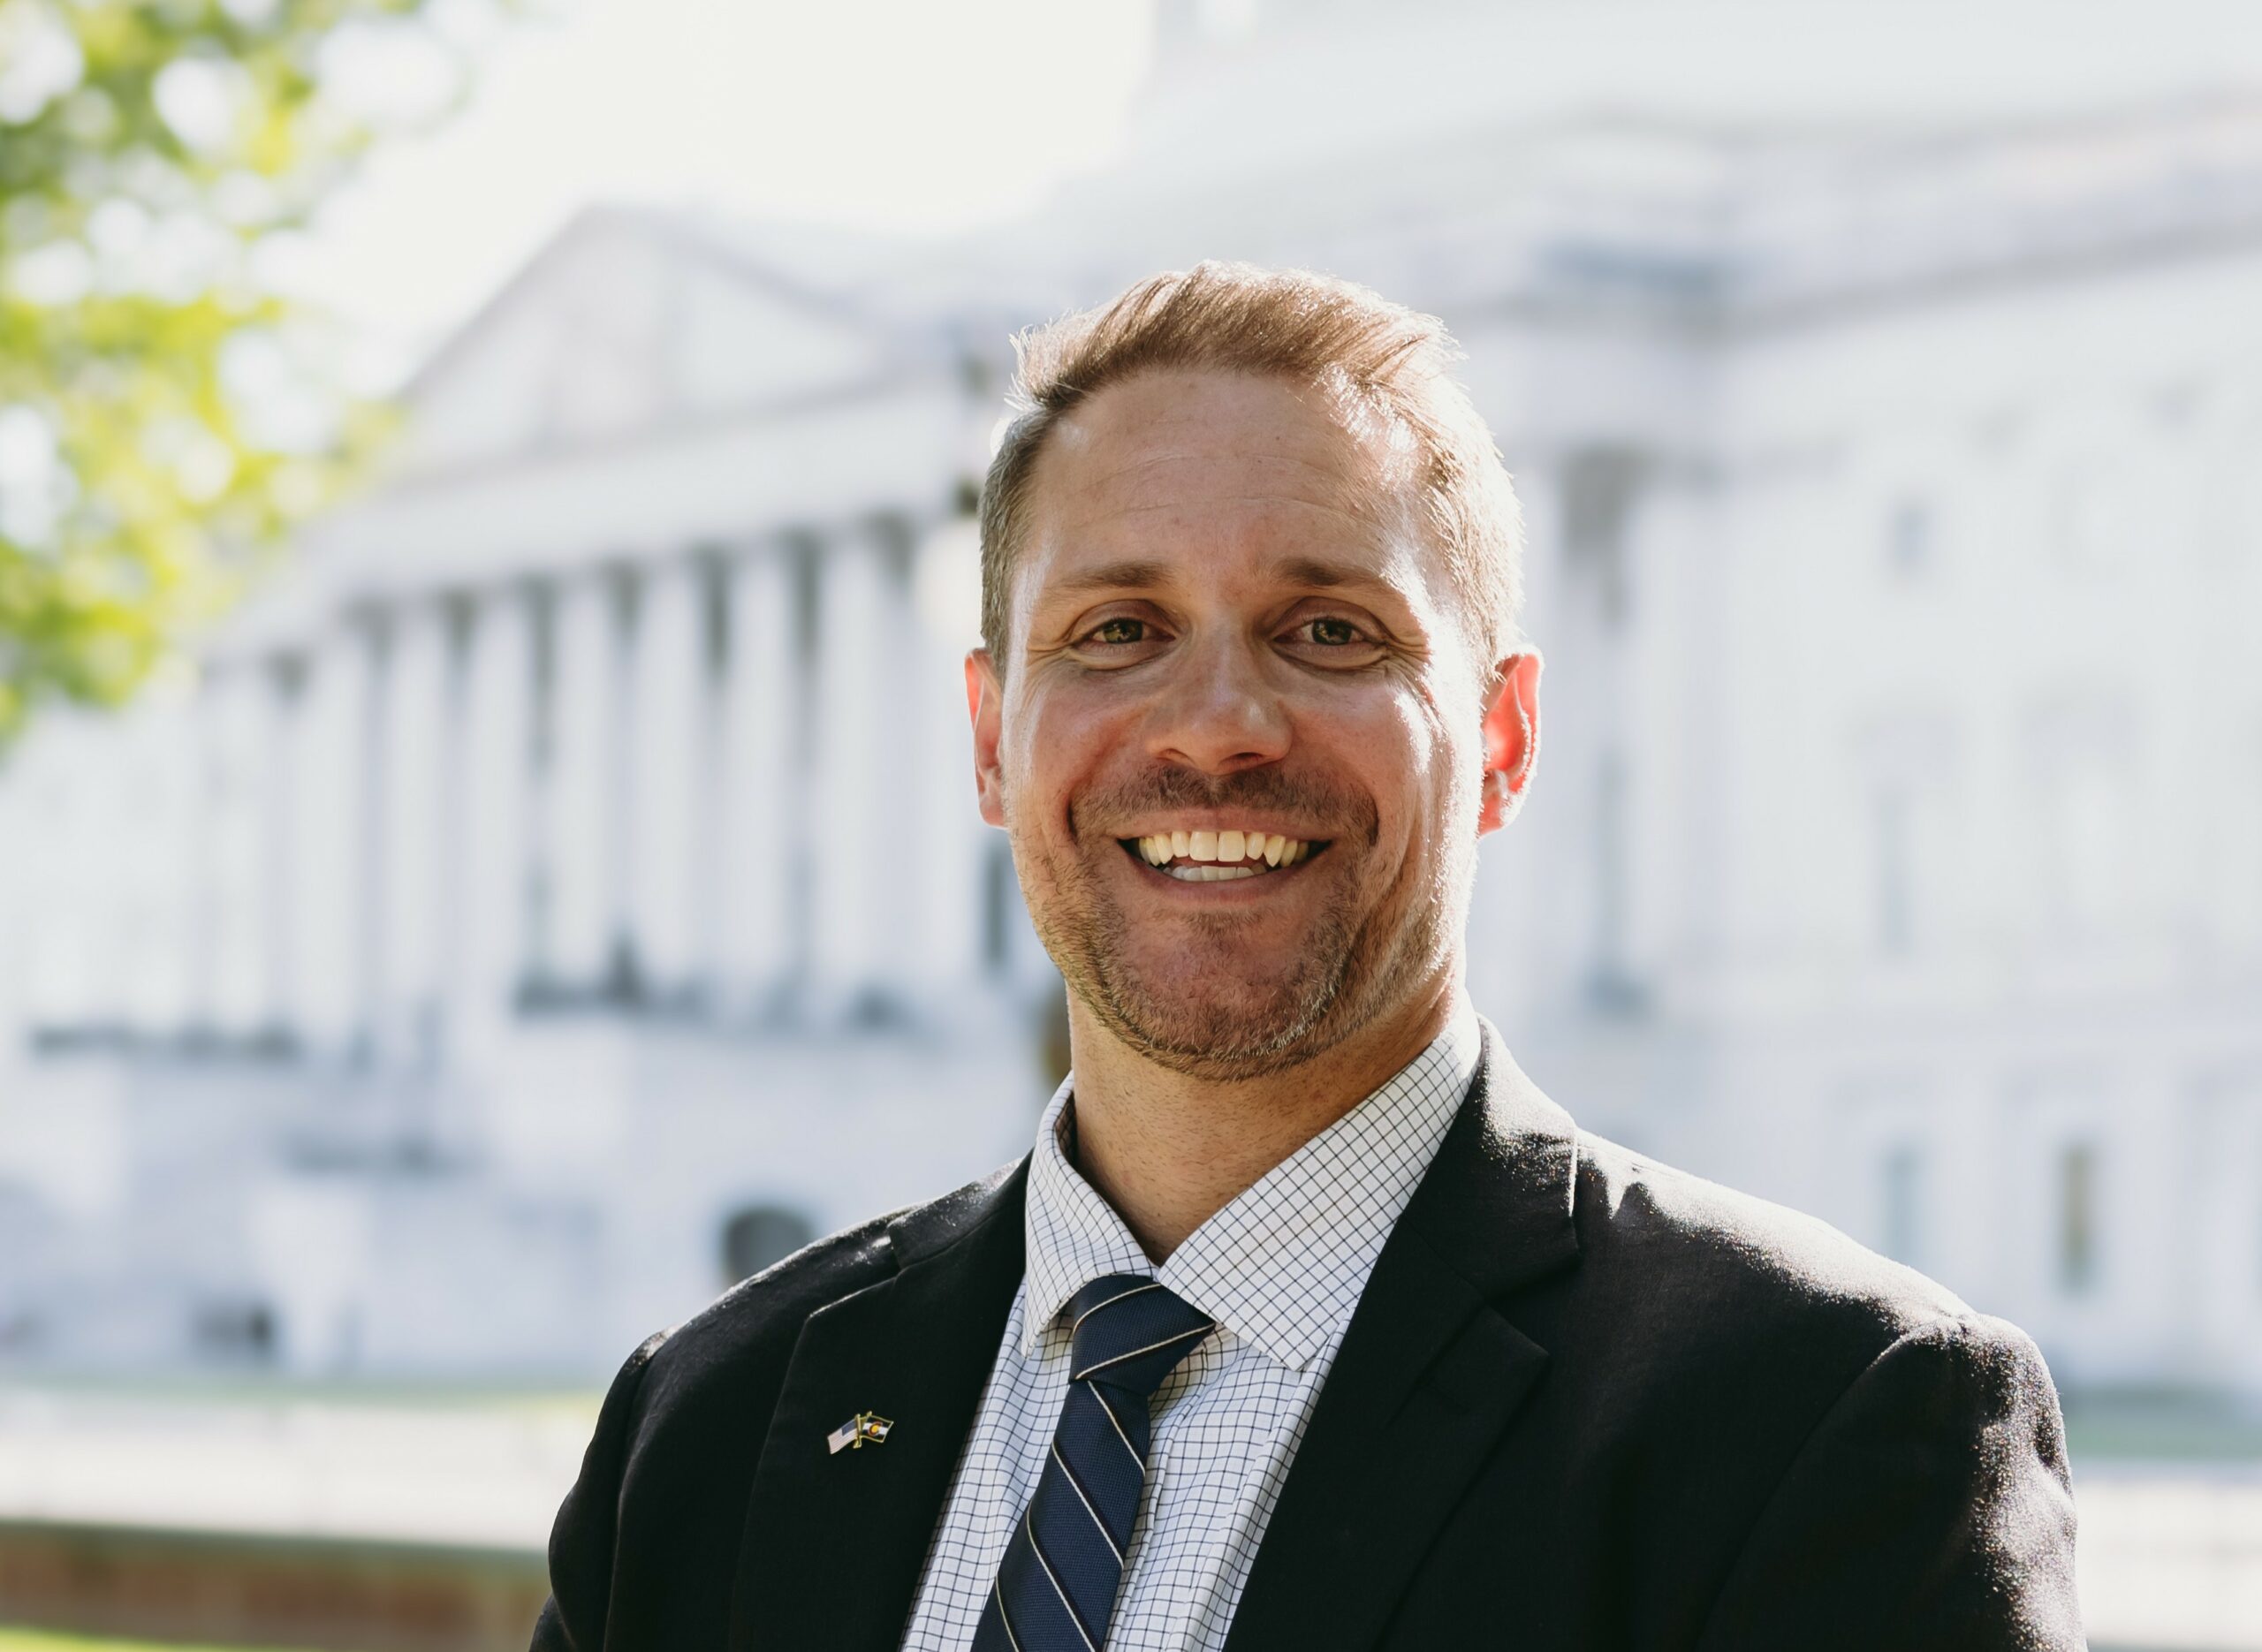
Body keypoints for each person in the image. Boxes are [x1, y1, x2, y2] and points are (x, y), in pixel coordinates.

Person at [530, 263, 2083, 1650]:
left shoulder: (1826, 1421)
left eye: (1329, 631)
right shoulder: (710, 1422)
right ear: (992, 738)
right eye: (1118, 629)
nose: (1215, 723)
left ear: (1501, 738)